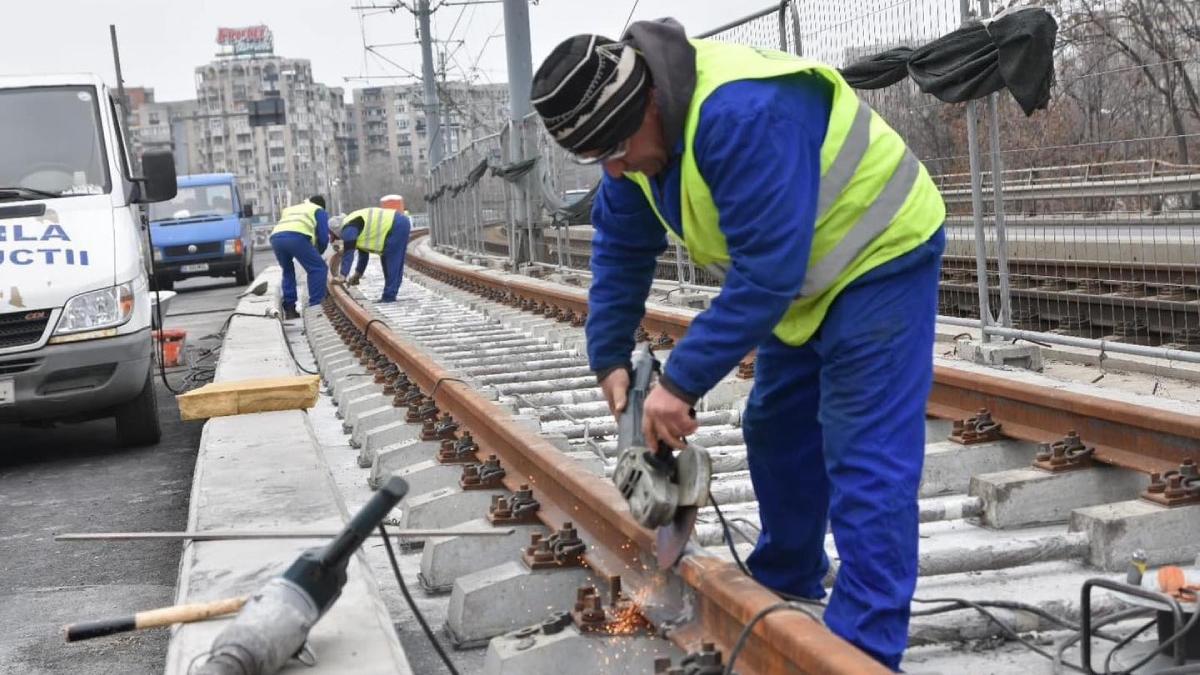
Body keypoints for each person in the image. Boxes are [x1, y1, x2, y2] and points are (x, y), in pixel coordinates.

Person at [530, 20, 946, 669]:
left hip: (880, 254)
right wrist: (609, 356)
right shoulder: (633, 141)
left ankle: (863, 648)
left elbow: (767, 274)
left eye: (614, 148)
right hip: (806, 280)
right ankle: (788, 577)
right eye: (596, 157)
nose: (613, 167)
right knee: (776, 425)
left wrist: (678, 383)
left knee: (864, 451)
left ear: (648, 103)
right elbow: (621, 249)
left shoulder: (742, 115)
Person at [270, 195, 330, 319]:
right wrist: (318, 253)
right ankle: (316, 307)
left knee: (288, 271)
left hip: (276, 238)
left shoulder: (292, 209)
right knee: (318, 268)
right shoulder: (319, 210)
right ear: (322, 206)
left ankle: (290, 309)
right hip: (296, 237)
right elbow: (323, 237)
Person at [338, 205, 411, 302]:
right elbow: (363, 255)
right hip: (397, 223)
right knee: (390, 260)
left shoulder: (348, 229)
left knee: (391, 261)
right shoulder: (353, 224)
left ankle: (389, 296)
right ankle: (390, 294)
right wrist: (357, 275)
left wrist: (343, 275)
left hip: (395, 225)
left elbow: (348, 252)